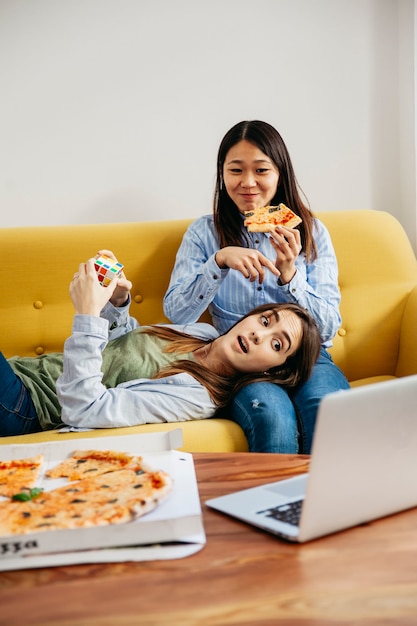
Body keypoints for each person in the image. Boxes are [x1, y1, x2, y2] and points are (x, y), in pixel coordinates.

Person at [163, 120, 350, 454]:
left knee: (330, 412)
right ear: (222, 175)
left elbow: (327, 327)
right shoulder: (204, 234)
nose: (247, 183)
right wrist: (218, 262)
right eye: (236, 170)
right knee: (273, 420)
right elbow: (176, 313)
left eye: (261, 170)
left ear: (280, 174)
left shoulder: (311, 232)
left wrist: (290, 274)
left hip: (308, 356)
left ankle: (333, 505)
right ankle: (270, 507)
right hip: (242, 362)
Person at [0, 252, 321, 437]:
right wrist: (118, 300)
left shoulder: (197, 398)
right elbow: (125, 349)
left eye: (277, 345)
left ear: (272, 371)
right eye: (266, 321)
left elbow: (84, 409)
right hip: (22, 370)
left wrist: (88, 315)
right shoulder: (202, 333)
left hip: (27, 407)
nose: (258, 335)